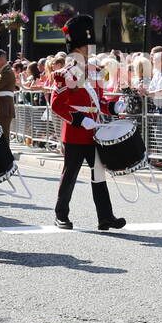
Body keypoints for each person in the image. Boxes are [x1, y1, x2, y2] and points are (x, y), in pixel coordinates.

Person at [50, 14, 126, 231]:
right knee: (70, 175)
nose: (87, 50)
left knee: (99, 174)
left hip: (94, 131)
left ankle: (105, 217)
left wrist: (113, 107)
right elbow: (57, 105)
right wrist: (79, 120)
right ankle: (61, 214)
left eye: (88, 46)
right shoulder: (65, 73)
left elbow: (98, 101)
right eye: (84, 47)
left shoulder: (93, 70)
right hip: (75, 132)